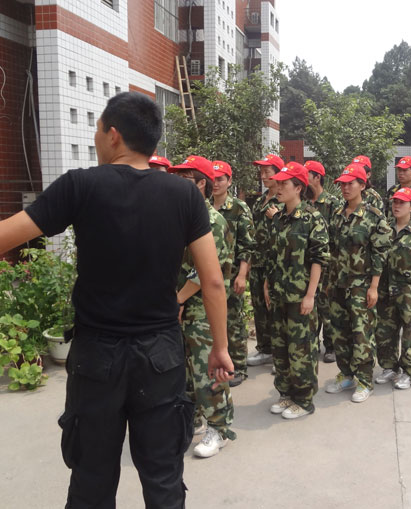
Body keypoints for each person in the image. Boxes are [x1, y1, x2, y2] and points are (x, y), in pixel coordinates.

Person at [0, 92, 232, 507]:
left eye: (97, 130)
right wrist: (221, 347)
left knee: (91, 478)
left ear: (113, 135)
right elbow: (213, 282)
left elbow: (5, 237)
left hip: (96, 357)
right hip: (161, 356)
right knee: (163, 479)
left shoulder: (80, 185)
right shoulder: (185, 197)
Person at [170, 156, 236, 459]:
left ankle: (219, 428)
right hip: (179, 304)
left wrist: (178, 299)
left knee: (207, 370)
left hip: (202, 308)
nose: (176, 182)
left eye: (185, 178)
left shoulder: (212, 222)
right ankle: (193, 419)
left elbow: (206, 275)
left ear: (201, 185)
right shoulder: (177, 217)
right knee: (184, 372)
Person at [262, 162, 330, 418]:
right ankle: (286, 393)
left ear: (299, 188)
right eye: (278, 183)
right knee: (280, 347)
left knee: (301, 349)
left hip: (300, 295)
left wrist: (310, 295)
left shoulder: (313, 218)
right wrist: (267, 284)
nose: (278, 187)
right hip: (279, 294)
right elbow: (273, 254)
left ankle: (303, 400)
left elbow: (319, 259)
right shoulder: (279, 218)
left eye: (284, 184)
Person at [325, 163, 391, 402]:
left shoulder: (374, 216)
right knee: (339, 331)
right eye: (342, 184)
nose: (345, 188)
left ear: (362, 185)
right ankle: (346, 374)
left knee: (362, 333)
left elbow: (380, 254)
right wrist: (328, 281)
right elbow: (331, 250)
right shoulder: (337, 215)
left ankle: (364, 381)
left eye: (350, 184)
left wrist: (374, 286)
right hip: (338, 284)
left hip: (361, 286)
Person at [375, 188, 411, 390]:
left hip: (408, 291)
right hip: (385, 289)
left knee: (410, 331)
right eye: (395, 202)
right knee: (385, 330)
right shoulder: (384, 229)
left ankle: (409, 372)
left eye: (402, 202)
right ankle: (389, 367)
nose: (397, 206)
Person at [211, 160, 255, 387]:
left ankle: (239, 367)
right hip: (210, 276)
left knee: (233, 321)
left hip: (232, 274)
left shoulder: (239, 208)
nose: (215, 183)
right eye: (212, 178)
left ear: (229, 181)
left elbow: (247, 245)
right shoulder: (205, 205)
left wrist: (242, 275)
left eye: (220, 179)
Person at [247, 154, 284, 367]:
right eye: (261, 172)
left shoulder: (284, 201)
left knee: (276, 310)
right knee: (259, 307)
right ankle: (264, 349)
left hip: (276, 263)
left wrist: (277, 217)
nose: (262, 176)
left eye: (267, 172)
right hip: (258, 262)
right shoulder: (260, 201)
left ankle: (280, 355)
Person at [304, 159, 341, 363]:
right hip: (307, 263)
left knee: (326, 306)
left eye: (306, 175)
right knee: (310, 305)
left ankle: (331, 345)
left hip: (327, 263)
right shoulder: (303, 202)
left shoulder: (332, 203)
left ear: (317, 177)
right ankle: (312, 343)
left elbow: (336, 234)